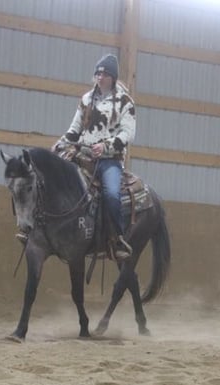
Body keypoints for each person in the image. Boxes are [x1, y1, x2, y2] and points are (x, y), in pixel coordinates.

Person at [53, 53, 136, 261]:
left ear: (113, 77)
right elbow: (74, 129)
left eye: (105, 74)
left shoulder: (125, 102)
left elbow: (127, 134)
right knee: (54, 178)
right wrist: (60, 144)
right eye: (98, 73)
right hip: (82, 154)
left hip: (109, 160)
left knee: (111, 194)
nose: (100, 77)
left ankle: (116, 238)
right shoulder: (87, 99)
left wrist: (106, 147)